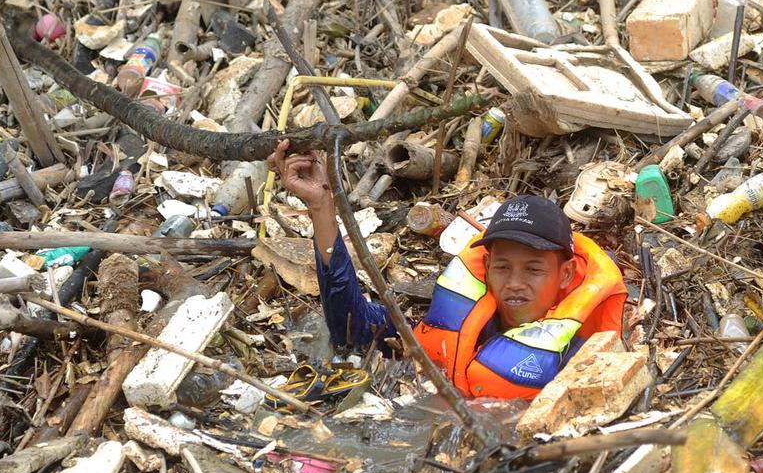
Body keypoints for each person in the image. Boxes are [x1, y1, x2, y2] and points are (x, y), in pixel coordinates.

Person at [268, 139, 628, 399]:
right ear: (486, 267)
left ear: (565, 275)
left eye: (533, 270)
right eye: (503, 267)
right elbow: (354, 329)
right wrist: (321, 206)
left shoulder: (582, 356)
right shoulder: (455, 321)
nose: (514, 284)